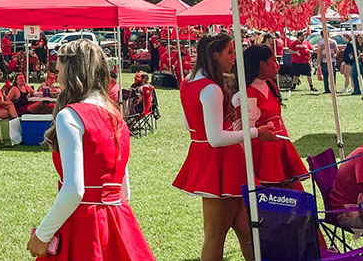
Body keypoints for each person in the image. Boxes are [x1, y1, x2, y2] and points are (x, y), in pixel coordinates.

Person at [27, 39, 155, 260]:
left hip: (83, 224)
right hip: (118, 220)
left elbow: (74, 190)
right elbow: (124, 190)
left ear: (71, 72)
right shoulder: (117, 117)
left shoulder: (70, 116)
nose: (57, 78)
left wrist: (42, 234)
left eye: (59, 71)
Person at [173, 33, 279, 261]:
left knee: (248, 230)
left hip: (215, 160)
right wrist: (256, 132)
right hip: (219, 162)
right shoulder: (211, 88)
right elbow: (216, 138)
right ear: (215, 54)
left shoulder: (187, 82)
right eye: (230, 52)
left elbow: (189, 124)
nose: (234, 57)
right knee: (216, 236)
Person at [240, 45, 308, 191]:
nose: (277, 65)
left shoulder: (271, 85)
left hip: (280, 145)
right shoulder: (245, 92)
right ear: (261, 64)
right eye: (272, 61)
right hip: (261, 152)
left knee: (296, 193)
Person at [315, 30, 339, 94]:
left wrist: (319, 61)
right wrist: (335, 55)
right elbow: (337, 51)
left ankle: (327, 89)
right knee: (333, 76)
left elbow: (319, 52)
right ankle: (333, 88)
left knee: (326, 76)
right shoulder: (333, 41)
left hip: (325, 61)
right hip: (332, 60)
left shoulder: (320, 42)